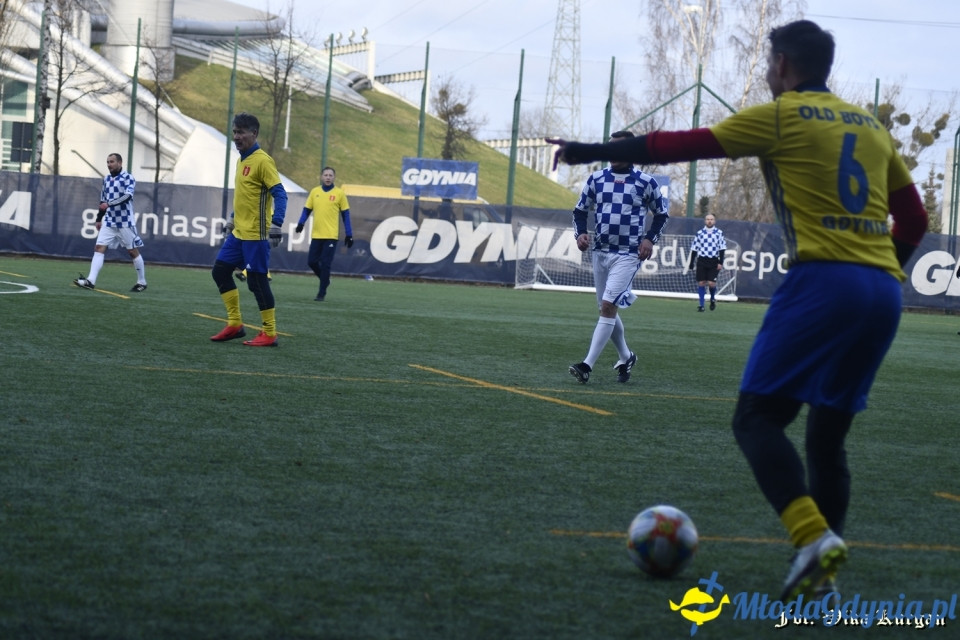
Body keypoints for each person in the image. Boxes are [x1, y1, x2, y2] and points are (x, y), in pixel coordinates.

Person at [548, 19, 927, 602]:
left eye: (771, 63)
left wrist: (589, 151)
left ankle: (811, 537)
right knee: (828, 440)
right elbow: (916, 221)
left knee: (757, 420)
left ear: (781, 65)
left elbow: (678, 145)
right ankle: (820, 574)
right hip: (881, 291)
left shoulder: (780, 116)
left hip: (822, 281)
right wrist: (879, 271)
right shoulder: (870, 128)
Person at [566, 130, 669, 385]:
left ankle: (586, 365)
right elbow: (579, 211)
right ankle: (626, 355)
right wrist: (580, 235)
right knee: (605, 307)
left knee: (608, 305)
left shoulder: (646, 182)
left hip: (627, 255)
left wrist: (649, 239)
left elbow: (661, 214)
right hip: (600, 252)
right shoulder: (596, 179)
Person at [209, 112, 287, 347]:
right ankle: (235, 324)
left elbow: (280, 194)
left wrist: (277, 223)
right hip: (238, 234)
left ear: (254, 134)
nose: (236, 136)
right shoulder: (241, 159)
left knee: (257, 282)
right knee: (220, 272)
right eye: (234, 132)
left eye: (241, 132)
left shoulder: (263, 160)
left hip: (256, 235)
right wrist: (233, 219)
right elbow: (245, 197)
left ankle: (270, 332)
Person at [73, 153, 147, 292]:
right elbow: (103, 200)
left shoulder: (128, 177)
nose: (109, 164)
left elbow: (127, 196)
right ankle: (90, 281)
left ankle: (142, 282)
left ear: (120, 163)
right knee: (99, 248)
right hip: (109, 221)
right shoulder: (106, 179)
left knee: (132, 252)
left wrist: (110, 204)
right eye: (107, 162)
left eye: (112, 162)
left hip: (125, 222)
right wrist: (99, 218)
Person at [295, 166, 353, 301]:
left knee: (326, 264)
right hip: (317, 235)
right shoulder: (315, 192)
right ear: (321, 177)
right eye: (325, 175)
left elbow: (346, 215)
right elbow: (306, 210)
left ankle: (321, 293)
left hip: (331, 236)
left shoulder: (339, 194)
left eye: (330, 175)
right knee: (312, 262)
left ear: (334, 178)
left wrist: (349, 234)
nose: (328, 177)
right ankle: (325, 280)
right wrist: (301, 223)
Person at [687, 213, 726, 311]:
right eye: (708, 219)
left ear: (714, 221)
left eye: (711, 219)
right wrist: (691, 262)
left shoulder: (719, 233)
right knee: (701, 282)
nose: (709, 221)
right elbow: (694, 248)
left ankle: (712, 299)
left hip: (713, 260)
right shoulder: (700, 233)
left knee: (711, 283)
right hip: (702, 260)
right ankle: (701, 305)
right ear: (705, 221)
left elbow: (722, 248)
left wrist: (720, 262)